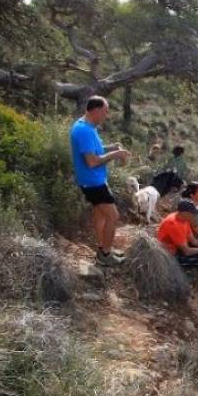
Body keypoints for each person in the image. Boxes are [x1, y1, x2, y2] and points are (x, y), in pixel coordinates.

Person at [69, 95, 131, 267]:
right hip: (93, 183)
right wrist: (116, 154)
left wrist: (111, 147)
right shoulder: (84, 131)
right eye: (105, 111)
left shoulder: (89, 127)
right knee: (113, 216)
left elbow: (96, 150)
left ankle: (103, 248)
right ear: (95, 110)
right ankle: (105, 255)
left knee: (100, 214)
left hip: (94, 180)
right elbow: (92, 161)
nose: (107, 115)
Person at [157, 200, 198, 305]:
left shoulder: (184, 220)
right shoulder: (173, 223)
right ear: (184, 213)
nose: (194, 216)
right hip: (172, 257)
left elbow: (192, 240)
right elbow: (187, 251)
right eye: (192, 213)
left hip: (180, 250)